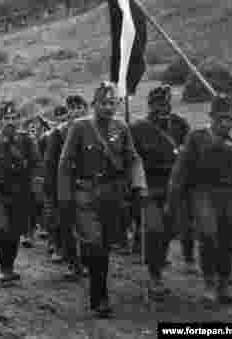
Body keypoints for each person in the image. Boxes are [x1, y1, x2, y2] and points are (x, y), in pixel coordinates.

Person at [58, 82, 147, 317]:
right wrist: (65, 198)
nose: (108, 108)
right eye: (103, 103)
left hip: (112, 196)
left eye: (112, 103)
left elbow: (134, 159)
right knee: (94, 244)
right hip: (85, 195)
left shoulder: (122, 127)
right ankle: (100, 298)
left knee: (104, 247)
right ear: (94, 104)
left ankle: (97, 282)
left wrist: (139, 184)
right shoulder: (79, 127)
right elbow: (65, 165)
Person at [167, 95, 232, 304]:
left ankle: (224, 284)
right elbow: (181, 170)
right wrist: (174, 198)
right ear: (212, 117)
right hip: (203, 192)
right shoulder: (197, 137)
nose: (225, 123)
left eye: (229, 118)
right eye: (220, 118)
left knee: (228, 238)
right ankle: (209, 284)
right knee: (208, 236)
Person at [129, 85, 190, 301]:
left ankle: (158, 263)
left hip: (174, 189)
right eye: (158, 104)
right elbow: (132, 161)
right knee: (154, 231)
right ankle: (155, 278)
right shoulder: (137, 128)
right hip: (149, 189)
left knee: (168, 232)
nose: (163, 108)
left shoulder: (181, 125)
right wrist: (138, 188)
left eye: (166, 104)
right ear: (150, 105)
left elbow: (189, 153)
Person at [0, 111, 41, 285]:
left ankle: (9, 266)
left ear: (19, 120)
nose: (11, 122)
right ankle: (4, 269)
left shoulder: (26, 140)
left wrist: (35, 192)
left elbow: (36, 165)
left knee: (15, 232)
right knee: (0, 230)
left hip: (20, 195)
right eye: (7, 118)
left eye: (14, 118)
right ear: (0, 120)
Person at [44, 95, 86, 281]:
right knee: (67, 227)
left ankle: (86, 262)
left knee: (89, 228)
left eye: (80, 107)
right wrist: (53, 191)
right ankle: (73, 263)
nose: (76, 111)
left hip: (89, 186)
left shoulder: (94, 130)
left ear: (86, 109)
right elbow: (50, 164)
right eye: (72, 108)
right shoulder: (58, 134)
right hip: (65, 187)